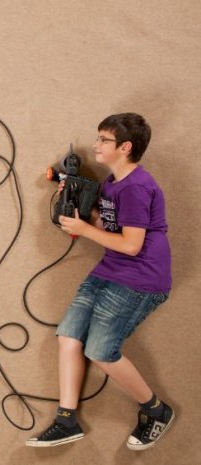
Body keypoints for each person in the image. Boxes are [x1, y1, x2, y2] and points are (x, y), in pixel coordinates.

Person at [25, 113, 174, 450]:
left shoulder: (136, 187)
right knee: (69, 335)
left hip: (141, 278)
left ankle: (156, 410)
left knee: (100, 352)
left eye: (104, 140)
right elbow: (109, 226)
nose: (96, 145)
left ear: (125, 147)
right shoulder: (111, 183)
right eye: (98, 138)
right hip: (111, 269)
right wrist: (78, 209)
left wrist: (83, 230)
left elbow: (132, 245)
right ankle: (67, 420)